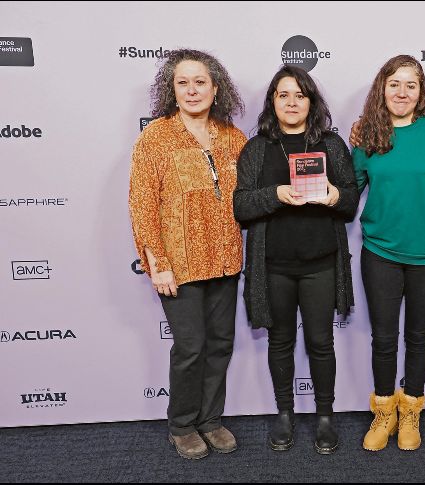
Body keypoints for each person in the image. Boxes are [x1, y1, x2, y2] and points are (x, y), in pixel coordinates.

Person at [233, 65, 358, 455]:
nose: (291, 102)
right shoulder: (257, 148)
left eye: (299, 95)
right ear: (272, 101)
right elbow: (241, 205)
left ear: (311, 101)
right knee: (281, 341)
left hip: (321, 263)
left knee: (321, 342)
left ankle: (324, 416)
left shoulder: (331, 145)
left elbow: (351, 200)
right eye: (283, 95)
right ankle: (284, 413)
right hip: (274, 267)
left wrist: (333, 195)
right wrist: (277, 194)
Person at [129, 48, 247, 460]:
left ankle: (210, 420)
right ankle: (181, 425)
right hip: (178, 266)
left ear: (216, 89)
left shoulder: (233, 137)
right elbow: (143, 208)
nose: (192, 90)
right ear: (171, 89)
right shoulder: (156, 137)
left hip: (226, 259)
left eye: (200, 82)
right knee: (191, 347)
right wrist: (156, 265)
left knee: (220, 345)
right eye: (183, 82)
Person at [353, 55, 425, 452]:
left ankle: (411, 411)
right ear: (382, 88)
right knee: (383, 338)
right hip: (380, 251)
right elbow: (350, 190)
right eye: (394, 83)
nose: (402, 92)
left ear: (421, 92)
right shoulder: (367, 134)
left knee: (417, 335)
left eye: (411, 85)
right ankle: (384, 412)